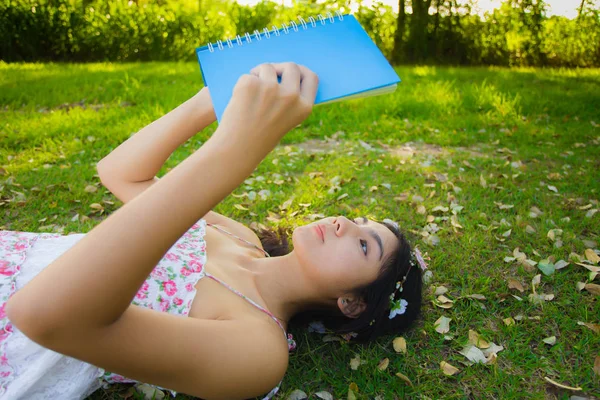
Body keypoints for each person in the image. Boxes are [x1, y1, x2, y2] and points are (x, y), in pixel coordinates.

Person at [1, 62, 424, 400]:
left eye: (364, 245)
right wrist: (214, 98)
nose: (343, 224)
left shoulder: (259, 351)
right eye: (357, 220)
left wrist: (234, 153)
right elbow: (120, 174)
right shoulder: (240, 237)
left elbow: (45, 318)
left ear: (351, 303)